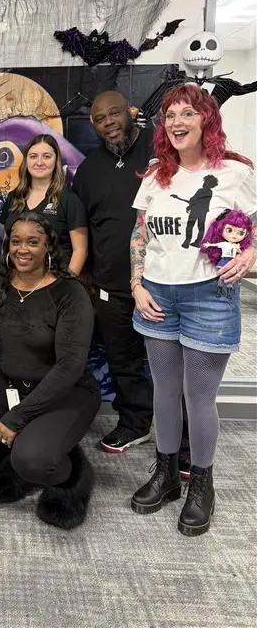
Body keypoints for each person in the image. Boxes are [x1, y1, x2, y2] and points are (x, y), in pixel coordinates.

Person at [129, 84, 256, 537]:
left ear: (206, 120)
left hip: (209, 297)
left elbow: (253, 231)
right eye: (169, 116)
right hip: (158, 296)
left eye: (187, 113)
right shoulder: (154, 176)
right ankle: (166, 476)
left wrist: (250, 255)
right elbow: (140, 236)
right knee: (164, 391)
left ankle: (201, 483)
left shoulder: (235, 172)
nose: (177, 122)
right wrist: (136, 283)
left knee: (198, 396)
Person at [0, 212, 100, 529]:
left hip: (66, 391)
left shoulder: (70, 293)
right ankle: (22, 458)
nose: (22, 249)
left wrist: (16, 418)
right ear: (7, 245)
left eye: (33, 242)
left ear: (48, 246)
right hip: (11, 383)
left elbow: (69, 366)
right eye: (16, 241)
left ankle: (71, 474)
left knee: (34, 460)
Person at [72, 90, 155, 453]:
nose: (109, 123)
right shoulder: (88, 170)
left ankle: (181, 434)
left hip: (161, 283)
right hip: (111, 285)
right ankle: (135, 423)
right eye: (100, 119)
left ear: (130, 113)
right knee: (123, 360)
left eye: (115, 114)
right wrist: (89, 277)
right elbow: (82, 228)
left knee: (172, 362)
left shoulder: (160, 152)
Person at [0, 134, 87, 274]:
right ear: (26, 160)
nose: (39, 162)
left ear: (56, 161)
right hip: (17, 281)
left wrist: (68, 285)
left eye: (46, 156)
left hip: (55, 284)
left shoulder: (69, 199)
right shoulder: (14, 197)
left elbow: (80, 250)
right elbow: (6, 242)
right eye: (33, 156)